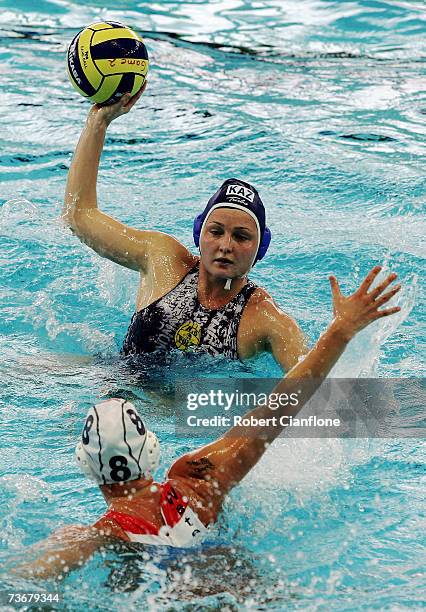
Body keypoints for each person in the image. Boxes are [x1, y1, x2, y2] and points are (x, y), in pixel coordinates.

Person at [17, 266, 401, 579]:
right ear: (152, 450)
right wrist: (340, 330)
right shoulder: (198, 480)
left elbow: (24, 585)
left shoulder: (99, 535)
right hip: (233, 577)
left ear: (84, 464)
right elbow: (283, 404)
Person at [62, 83, 307, 369]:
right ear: (199, 233)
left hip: (167, 413)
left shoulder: (267, 320)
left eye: (241, 237)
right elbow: (79, 216)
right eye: (216, 232)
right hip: (108, 374)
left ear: (261, 247)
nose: (226, 246)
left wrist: (342, 331)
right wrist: (98, 122)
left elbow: (319, 393)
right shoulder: (163, 258)